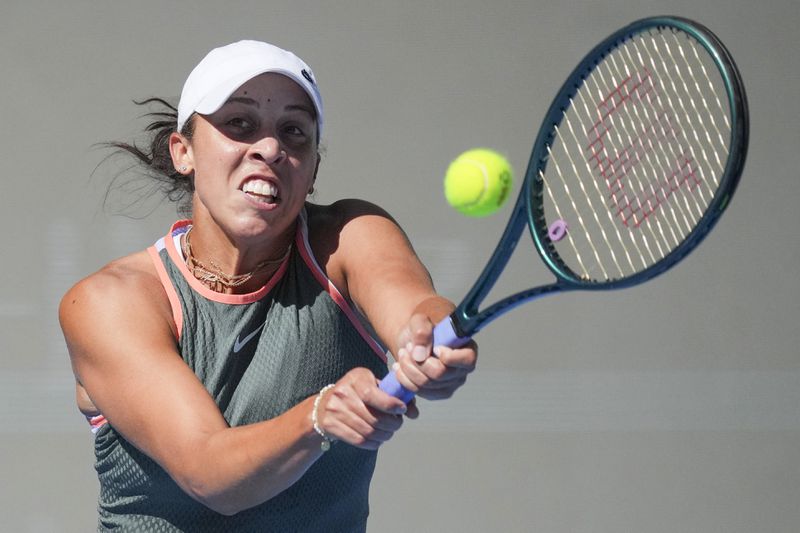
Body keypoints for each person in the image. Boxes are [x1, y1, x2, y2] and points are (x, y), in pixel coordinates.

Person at [59, 40, 477, 531]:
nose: (271, 148)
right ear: (184, 152)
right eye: (239, 123)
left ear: (313, 170)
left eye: (294, 131)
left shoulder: (347, 240)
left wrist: (428, 341)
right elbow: (211, 473)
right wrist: (318, 417)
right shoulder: (108, 302)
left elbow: (413, 306)